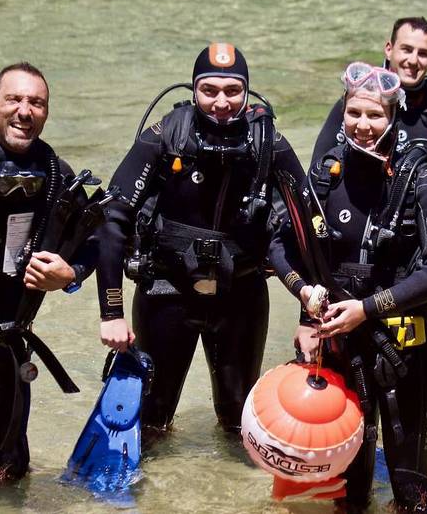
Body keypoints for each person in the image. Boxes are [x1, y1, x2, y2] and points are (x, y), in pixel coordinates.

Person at [271, 62, 427, 512]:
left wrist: (367, 307)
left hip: (408, 355)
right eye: (354, 113)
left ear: (393, 115)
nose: (363, 125)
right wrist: (303, 292)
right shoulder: (326, 175)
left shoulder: (421, 179)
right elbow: (281, 245)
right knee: (348, 496)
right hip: (344, 355)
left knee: (411, 494)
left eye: (375, 115)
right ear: (343, 111)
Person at [95, 43, 305, 437]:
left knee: (238, 424)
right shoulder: (164, 137)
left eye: (233, 90)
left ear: (247, 91)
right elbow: (113, 217)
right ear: (194, 90)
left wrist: (310, 318)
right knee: (151, 420)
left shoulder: (267, 143)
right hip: (165, 290)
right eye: (210, 90)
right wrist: (111, 312)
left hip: (241, 294)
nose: (221, 102)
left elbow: (309, 225)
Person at [0, 62, 96, 481]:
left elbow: (99, 241)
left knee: (9, 471)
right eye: (14, 99)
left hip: (1, 335)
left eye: (36, 102)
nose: (25, 110)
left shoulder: (55, 174)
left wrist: (70, 274)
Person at [311, 17, 427, 217]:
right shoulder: (361, 99)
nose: (414, 60)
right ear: (389, 49)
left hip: (415, 221)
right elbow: (319, 162)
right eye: (406, 49)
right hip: (352, 213)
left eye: (423, 53)